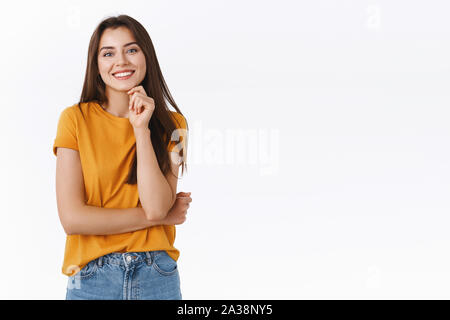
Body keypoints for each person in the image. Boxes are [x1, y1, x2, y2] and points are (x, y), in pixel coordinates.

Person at [53, 14, 191, 300]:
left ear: (146, 56)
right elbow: (72, 219)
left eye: (131, 49)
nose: (121, 61)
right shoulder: (73, 120)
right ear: (97, 64)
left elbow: (156, 207)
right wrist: (159, 219)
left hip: (157, 274)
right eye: (108, 53)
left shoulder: (176, 126)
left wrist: (141, 129)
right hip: (91, 277)